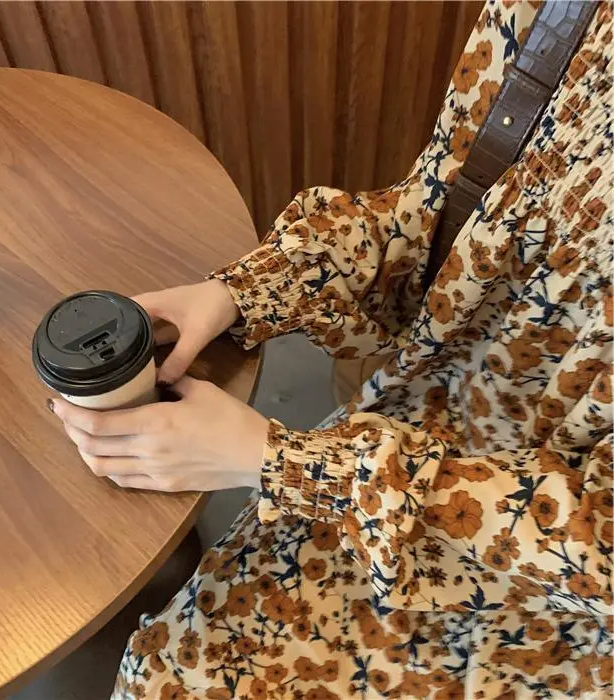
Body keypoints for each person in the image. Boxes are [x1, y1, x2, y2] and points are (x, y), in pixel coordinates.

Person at [48, 1, 612, 697]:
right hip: (405, 446)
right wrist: (245, 291)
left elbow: (595, 553)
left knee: (173, 679)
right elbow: (439, 210)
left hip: (546, 601)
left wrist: (288, 465)